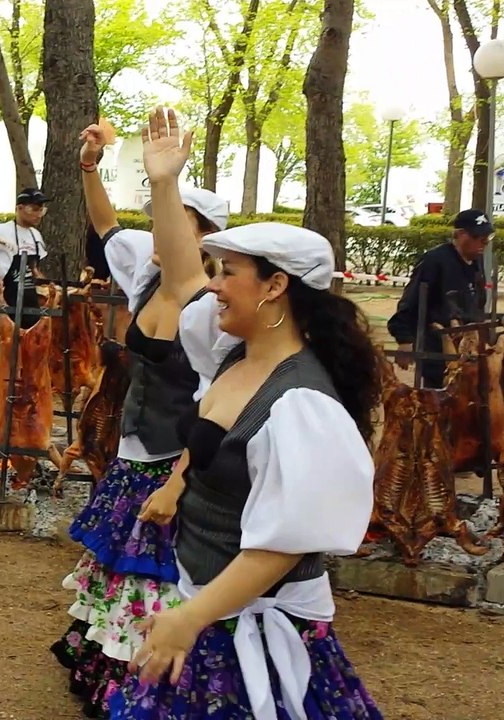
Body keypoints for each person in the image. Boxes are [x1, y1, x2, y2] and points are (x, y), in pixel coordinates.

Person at [109, 107, 382, 720]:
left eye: (228, 273)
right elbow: (182, 280)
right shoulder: (229, 350)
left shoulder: (302, 405)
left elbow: (285, 545)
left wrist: (190, 619)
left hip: (253, 625)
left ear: (275, 286)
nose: (213, 286)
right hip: (203, 602)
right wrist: (163, 186)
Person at [49, 115, 228, 718]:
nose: (161, 228)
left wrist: (178, 484)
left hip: (176, 461)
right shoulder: (145, 271)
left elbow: (214, 410)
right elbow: (105, 226)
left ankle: (155, 675)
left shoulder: (211, 309)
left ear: (206, 238)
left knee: (157, 574)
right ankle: (111, 661)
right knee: (118, 566)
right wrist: (89, 169)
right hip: (132, 454)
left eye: (175, 221)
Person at [387, 208, 490, 388]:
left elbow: (477, 302)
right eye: (477, 237)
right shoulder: (435, 260)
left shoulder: (476, 262)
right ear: (460, 235)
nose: (483, 243)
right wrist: (404, 340)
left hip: (468, 348)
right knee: (439, 399)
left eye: (486, 238)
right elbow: (411, 300)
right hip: (437, 348)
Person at [0, 187, 50, 406]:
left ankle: (23, 398)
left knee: (31, 348)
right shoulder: (2, 229)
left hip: (30, 296)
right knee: (4, 350)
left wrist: (47, 285)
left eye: (41, 209)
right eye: (34, 208)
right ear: (19, 208)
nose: (38, 213)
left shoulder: (36, 235)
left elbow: (35, 269)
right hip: (9, 294)